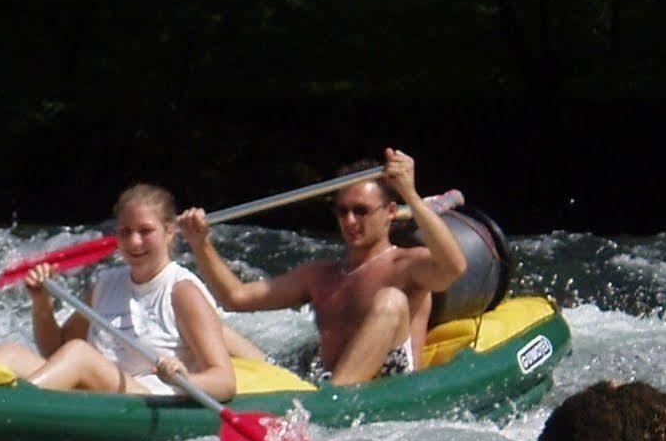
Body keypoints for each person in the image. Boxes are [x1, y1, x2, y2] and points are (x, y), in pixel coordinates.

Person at [176, 147, 468, 385]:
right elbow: (235, 298)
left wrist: (410, 195)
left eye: (361, 211)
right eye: (343, 211)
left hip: (384, 389)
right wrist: (200, 244)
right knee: (217, 330)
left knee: (390, 300)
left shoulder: (407, 265)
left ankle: (328, 402)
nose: (350, 221)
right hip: (319, 384)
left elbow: (454, 268)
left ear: (390, 212)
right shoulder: (322, 275)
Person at [0, 183, 239, 400]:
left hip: (148, 397)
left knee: (79, 354)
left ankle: (8, 405)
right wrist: (41, 303)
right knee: (10, 353)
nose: (134, 242)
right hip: (101, 390)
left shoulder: (183, 291)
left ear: (169, 232)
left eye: (145, 231)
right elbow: (56, 351)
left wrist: (183, 378)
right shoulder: (106, 283)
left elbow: (224, 382)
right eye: (125, 232)